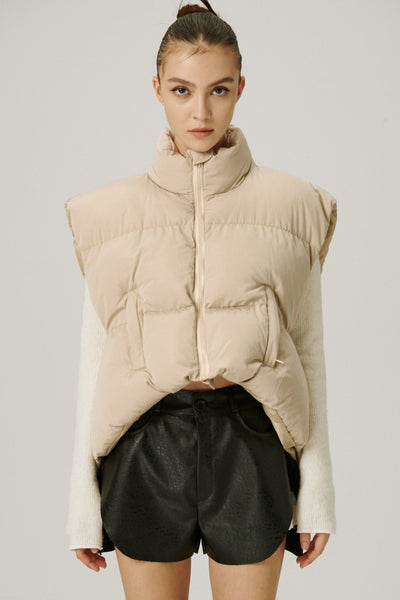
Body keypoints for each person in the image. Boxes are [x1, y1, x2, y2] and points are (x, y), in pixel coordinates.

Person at [64, 2, 337, 599]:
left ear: (241, 88)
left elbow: (308, 348)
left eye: (219, 90)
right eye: (183, 90)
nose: (201, 111)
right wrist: (82, 503)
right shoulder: (107, 214)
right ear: (157, 89)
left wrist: (316, 494)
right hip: (145, 441)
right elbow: (98, 358)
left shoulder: (294, 205)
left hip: (251, 439)